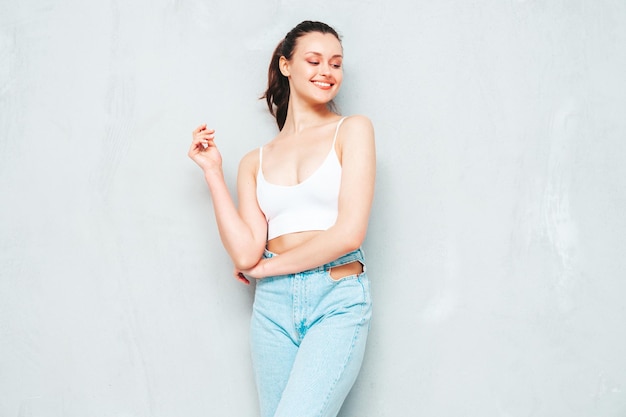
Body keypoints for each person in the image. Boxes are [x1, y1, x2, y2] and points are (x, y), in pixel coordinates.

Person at [188, 20, 375, 417]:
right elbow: (245, 253)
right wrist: (212, 173)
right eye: (315, 60)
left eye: (336, 64)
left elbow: (348, 233)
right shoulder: (254, 161)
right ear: (286, 65)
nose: (327, 71)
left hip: (335, 297)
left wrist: (268, 270)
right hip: (272, 309)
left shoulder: (352, 131)